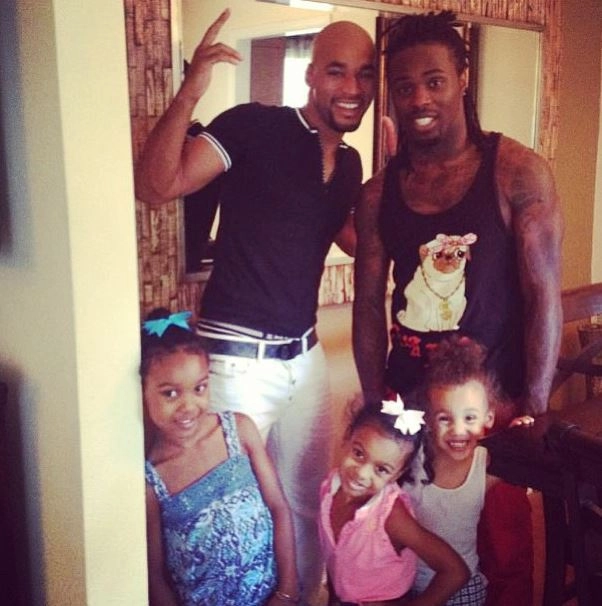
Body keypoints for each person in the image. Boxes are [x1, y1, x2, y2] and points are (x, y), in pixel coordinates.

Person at [135, 8, 377, 603]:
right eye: (336, 71)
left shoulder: (349, 163)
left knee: (305, 501)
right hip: (235, 363)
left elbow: (358, 241)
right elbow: (157, 185)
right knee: (223, 517)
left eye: (364, 73)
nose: (351, 87)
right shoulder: (252, 125)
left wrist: (396, 184)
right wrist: (192, 89)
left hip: (306, 360)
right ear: (311, 76)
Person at [352, 10, 563, 420]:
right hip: (409, 409)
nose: (420, 99)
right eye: (405, 87)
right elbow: (368, 307)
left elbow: (543, 298)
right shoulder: (376, 194)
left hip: (492, 408)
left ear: (462, 79)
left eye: (434, 82)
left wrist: (534, 412)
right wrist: (376, 407)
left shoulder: (518, 173)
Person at [141, 309, 298, 606]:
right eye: (170, 393)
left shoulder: (239, 431)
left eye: (199, 388)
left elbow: (278, 508)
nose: (189, 406)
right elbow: (156, 575)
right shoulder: (152, 480)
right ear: (143, 392)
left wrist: (287, 593)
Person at [404, 336, 533, 606]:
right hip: (410, 582)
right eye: (445, 418)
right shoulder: (412, 460)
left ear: (488, 418)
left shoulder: (484, 464)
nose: (458, 430)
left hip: (465, 586)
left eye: (469, 418)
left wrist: (520, 432)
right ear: (428, 419)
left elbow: (520, 454)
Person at [319, 400, 469, 606]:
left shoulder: (391, 516)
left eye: (381, 469)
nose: (362, 473)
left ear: (397, 474)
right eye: (359, 453)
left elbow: (455, 571)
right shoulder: (330, 487)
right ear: (347, 438)